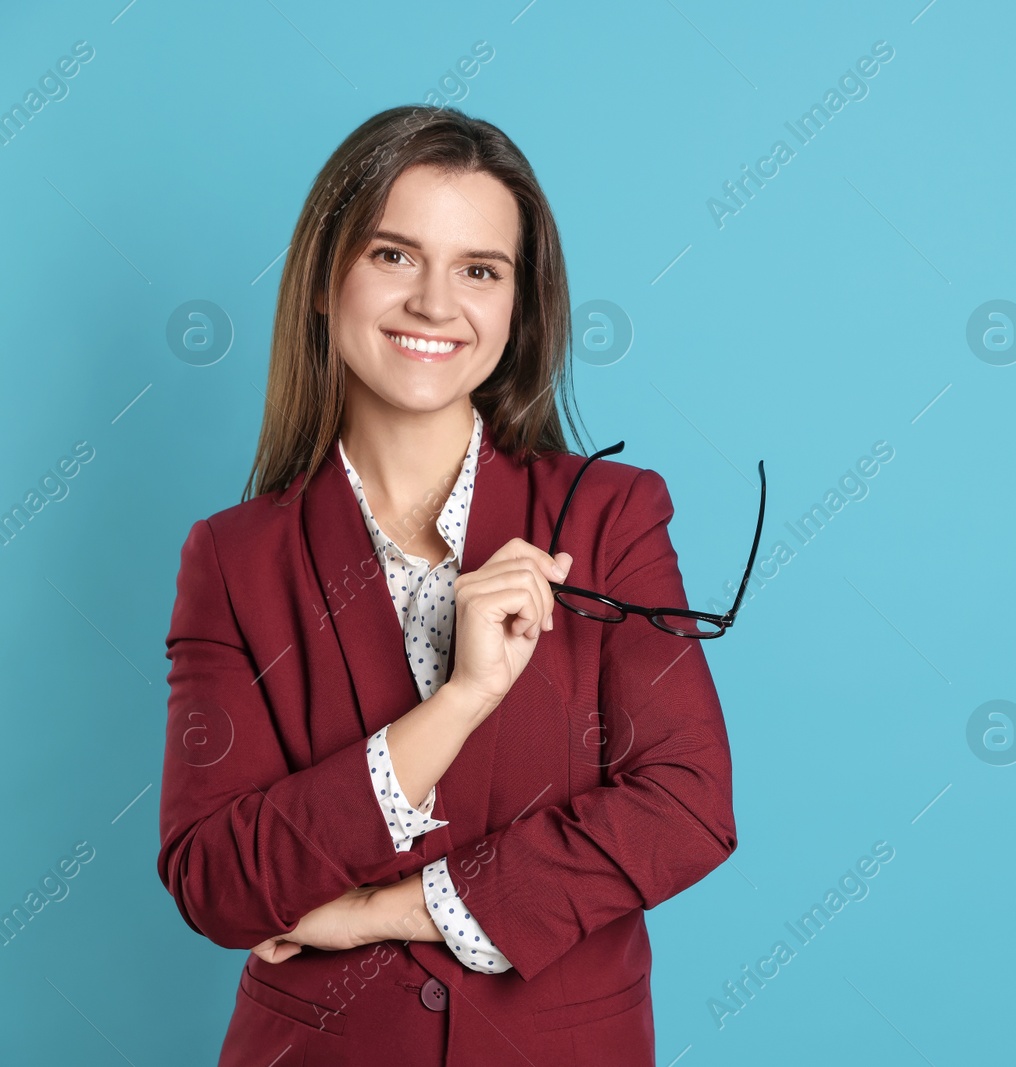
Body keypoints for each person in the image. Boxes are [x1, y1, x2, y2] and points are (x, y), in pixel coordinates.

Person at [156, 105, 740, 1066]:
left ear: (519, 306)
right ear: (322, 280)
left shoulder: (609, 517)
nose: (435, 302)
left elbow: (685, 804)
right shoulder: (232, 558)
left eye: (479, 269)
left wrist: (390, 909)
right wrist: (461, 701)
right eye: (393, 255)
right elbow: (217, 879)